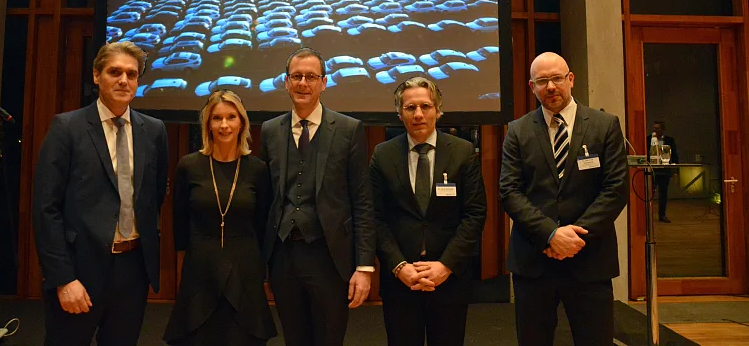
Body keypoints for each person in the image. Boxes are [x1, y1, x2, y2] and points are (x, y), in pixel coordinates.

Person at [32, 42, 169, 346]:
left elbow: (153, 196)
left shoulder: (154, 130)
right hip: (80, 269)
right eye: (114, 72)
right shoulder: (67, 127)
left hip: (132, 270)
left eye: (131, 74)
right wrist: (63, 278)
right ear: (96, 76)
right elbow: (46, 209)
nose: (124, 80)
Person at [499, 52, 629, 346]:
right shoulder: (517, 130)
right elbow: (509, 192)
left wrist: (574, 237)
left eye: (556, 78)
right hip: (534, 261)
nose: (551, 86)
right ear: (531, 86)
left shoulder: (604, 125)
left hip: (590, 259)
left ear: (570, 79)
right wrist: (551, 235)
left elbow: (615, 189)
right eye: (542, 81)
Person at [261, 47, 376, 346]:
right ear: (285, 82)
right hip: (283, 257)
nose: (303, 83)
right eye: (296, 76)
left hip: (330, 257)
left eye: (311, 77)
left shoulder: (349, 130)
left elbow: (362, 201)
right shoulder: (270, 131)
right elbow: (265, 200)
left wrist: (364, 266)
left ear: (324, 83)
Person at [370, 77, 487, 346]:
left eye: (425, 106)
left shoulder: (462, 152)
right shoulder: (383, 155)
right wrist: (399, 267)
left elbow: (475, 214)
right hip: (401, 279)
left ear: (438, 110)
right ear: (400, 114)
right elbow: (375, 217)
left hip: (448, 279)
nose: (419, 114)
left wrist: (445, 265)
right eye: (410, 108)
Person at [164, 90, 276, 346]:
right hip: (199, 274)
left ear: (242, 123)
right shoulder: (188, 166)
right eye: (217, 118)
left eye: (231, 117)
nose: (224, 125)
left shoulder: (257, 169)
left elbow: (262, 225)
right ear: (208, 124)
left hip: (245, 274)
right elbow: (179, 224)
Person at [651, 121, 679, 223]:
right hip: (652, 171)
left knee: (663, 194)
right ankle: (648, 216)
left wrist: (675, 170)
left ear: (662, 130)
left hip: (664, 170)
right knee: (649, 194)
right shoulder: (648, 139)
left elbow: (674, 155)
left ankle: (662, 215)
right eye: (653, 128)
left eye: (657, 128)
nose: (654, 130)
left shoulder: (669, 140)